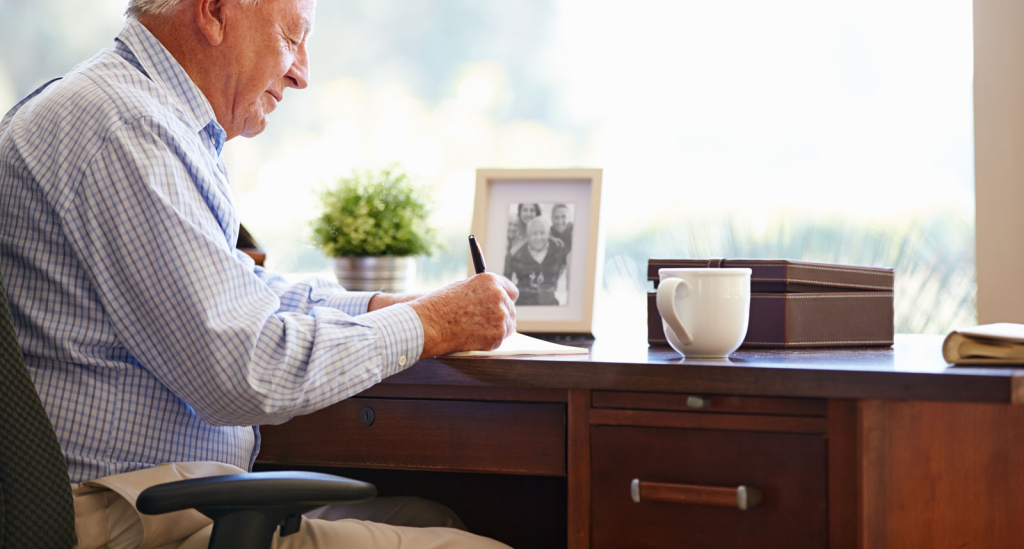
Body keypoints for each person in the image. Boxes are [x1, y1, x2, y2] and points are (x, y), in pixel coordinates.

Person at [0, 0, 517, 547]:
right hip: (127, 515)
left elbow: (233, 293)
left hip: (159, 498)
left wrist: (377, 308)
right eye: (291, 39)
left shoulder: (130, 111)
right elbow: (248, 371)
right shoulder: (127, 128)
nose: (302, 74)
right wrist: (429, 324)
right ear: (214, 12)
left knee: (434, 519)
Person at [506, 217, 569, 306]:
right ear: (528, 236)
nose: (538, 237)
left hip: (550, 305)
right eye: (534, 233)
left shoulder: (559, 250)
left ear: (548, 234)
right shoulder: (516, 257)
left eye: (542, 233)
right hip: (524, 305)